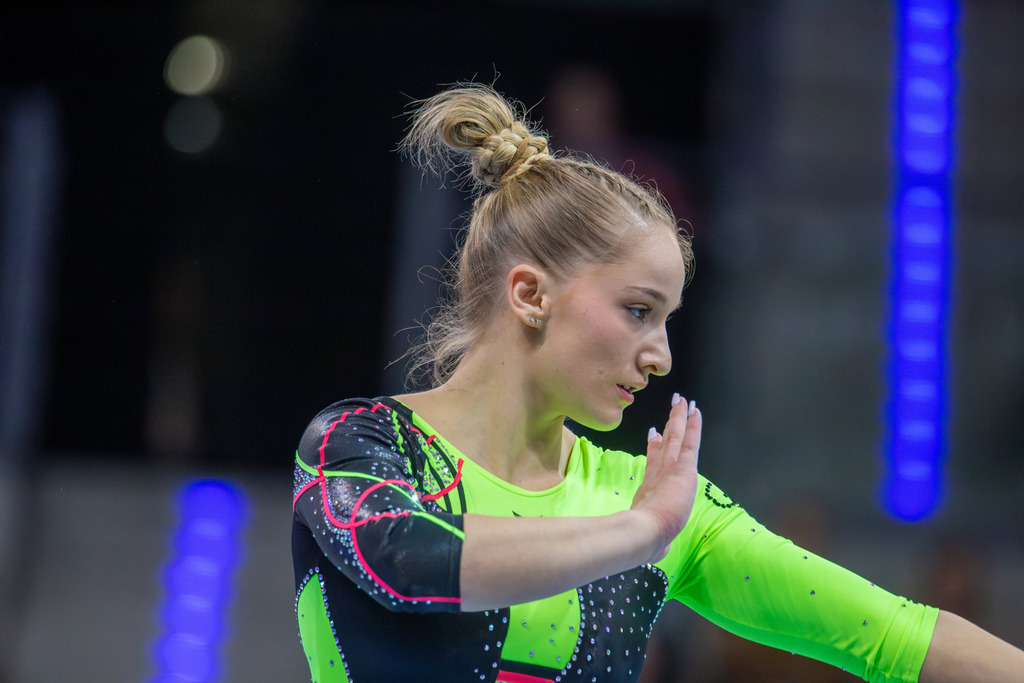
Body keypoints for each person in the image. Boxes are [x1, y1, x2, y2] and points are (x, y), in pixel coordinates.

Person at [291, 83, 1023, 683]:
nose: (662, 356)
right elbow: (415, 563)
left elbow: (893, 633)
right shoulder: (356, 446)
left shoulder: (657, 503)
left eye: (668, 319)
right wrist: (639, 532)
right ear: (529, 294)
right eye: (638, 311)